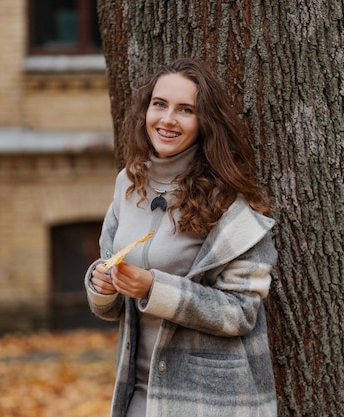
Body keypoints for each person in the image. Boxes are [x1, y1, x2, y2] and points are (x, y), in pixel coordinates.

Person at [85, 57, 278, 417]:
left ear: (204, 122)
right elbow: (111, 306)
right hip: (138, 395)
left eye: (185, 110)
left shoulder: (229, 202)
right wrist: (103, 284)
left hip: (209, 402)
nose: (167, 119)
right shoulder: (128, 183)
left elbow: (240, 313)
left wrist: (153, 289)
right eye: (159, 104)